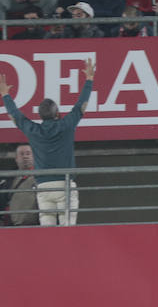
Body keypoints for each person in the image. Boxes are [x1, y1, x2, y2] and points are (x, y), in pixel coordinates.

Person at [0, 56, 93, 226]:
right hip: (64, 185)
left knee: (47, 233)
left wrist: (5, 95)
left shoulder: (33, 130)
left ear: (40, 116)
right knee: (68, 231)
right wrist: (89, 80)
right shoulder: (66, 125)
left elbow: (16, 116)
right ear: (57, 114)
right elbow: (82, 105)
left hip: (43, 187)